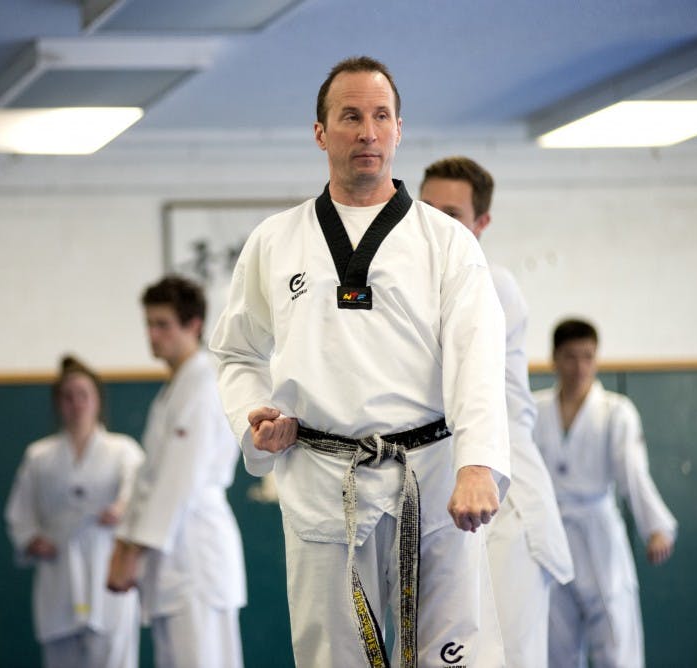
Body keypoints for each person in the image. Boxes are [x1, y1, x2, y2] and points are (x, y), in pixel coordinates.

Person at [209, 56, 510, 668]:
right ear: (320, 132)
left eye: (380, 116)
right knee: (331, 657)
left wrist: (478, 464)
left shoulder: (446, 241)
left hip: (428, 475)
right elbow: (236, 351)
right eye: (350, 116)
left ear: (400, 129)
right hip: (323, 479)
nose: (367, 132)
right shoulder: (275, 240)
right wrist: (253, 418)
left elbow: (477, 357)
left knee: (450, 656)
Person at [419, 156, 574, 666]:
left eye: (452, 214)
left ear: (481, 224)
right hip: (461, 506)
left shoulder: (492, 282)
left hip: (510, 511)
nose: (436, 225)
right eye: (425, 210)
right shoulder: (419, 285)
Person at [107, 275, 247, 668]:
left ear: (194, 326)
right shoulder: (176, 388)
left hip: (195, 558)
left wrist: (132, 550)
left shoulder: (203, 384)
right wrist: (127, 540)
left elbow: (178, 480)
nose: (153, 335)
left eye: (163, 324)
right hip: (175, 557)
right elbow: (149, 479)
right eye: (149, 325)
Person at [533, 318, 677, 667]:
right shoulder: (534, 410)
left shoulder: (616, 412)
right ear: (554, 359)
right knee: (556, 643)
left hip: (599, 534)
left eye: (587, 356)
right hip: (552, 533)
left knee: (616, 638)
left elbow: (632, 471)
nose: (579, 367)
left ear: (596, 358)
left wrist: (655, 527)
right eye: (570, 357)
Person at [5, 355, 145, 668]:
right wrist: (30, 539)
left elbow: (139, 494)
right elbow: (20, 514)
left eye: (83, 395)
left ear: (97, 400)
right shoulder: (39, 456)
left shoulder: (123, 450)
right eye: (68, 397)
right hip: (59, 569)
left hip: (108, 568)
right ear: (58, 403)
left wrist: (122, 508)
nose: (76, 403)